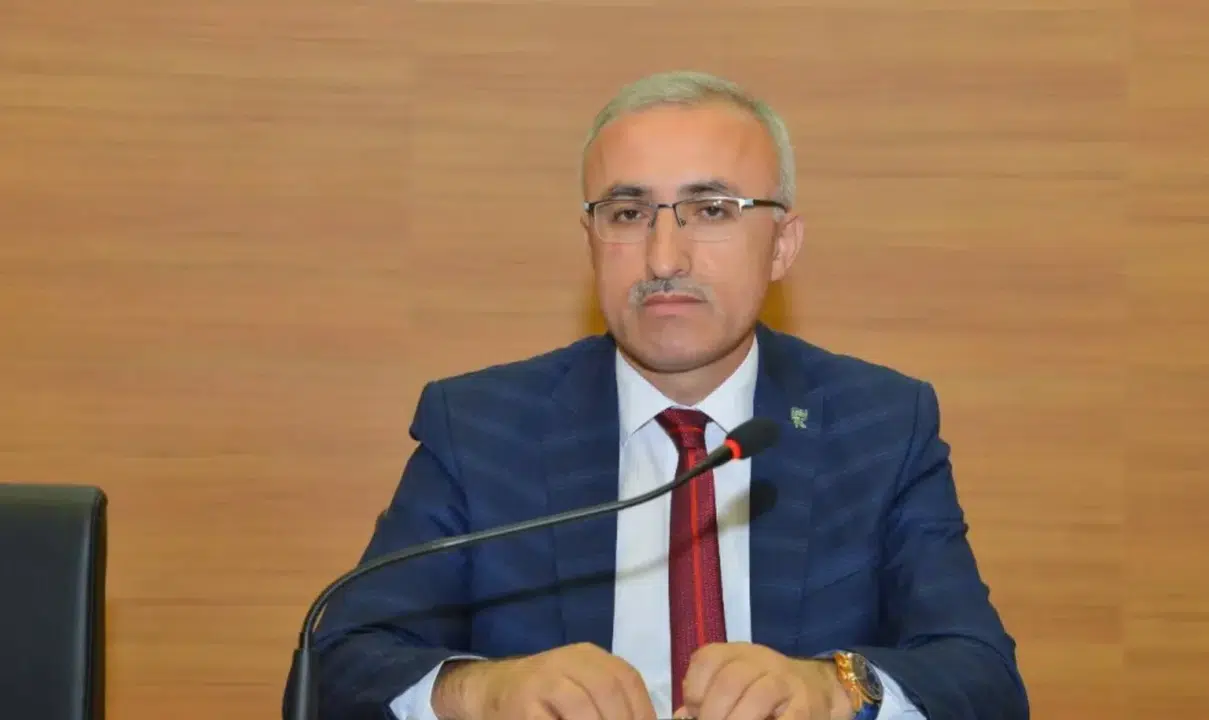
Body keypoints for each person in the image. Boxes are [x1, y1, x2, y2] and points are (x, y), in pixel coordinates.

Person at [292, 71, 1029, 720]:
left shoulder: (879, 425)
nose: (663, 257)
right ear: (590, 240)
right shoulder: (481, 428)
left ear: (782, 245)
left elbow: (982, 677)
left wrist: (833, 689)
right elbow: (340, 665)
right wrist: (483, 693)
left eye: (712, 210)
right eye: (628, 213)